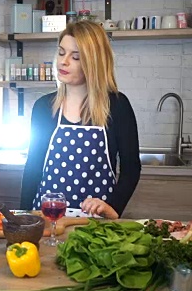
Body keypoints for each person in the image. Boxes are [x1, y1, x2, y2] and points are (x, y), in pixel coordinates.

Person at [20, 21, 141, 218]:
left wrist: (113, 208)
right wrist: (23, 216)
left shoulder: (117, 106)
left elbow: (131, 168)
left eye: (75, 57)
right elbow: (33, 166)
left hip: (95, 223)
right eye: (61, 53)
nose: (63, 61)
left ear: (93, 63)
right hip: (48, 217)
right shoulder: (43, 107)